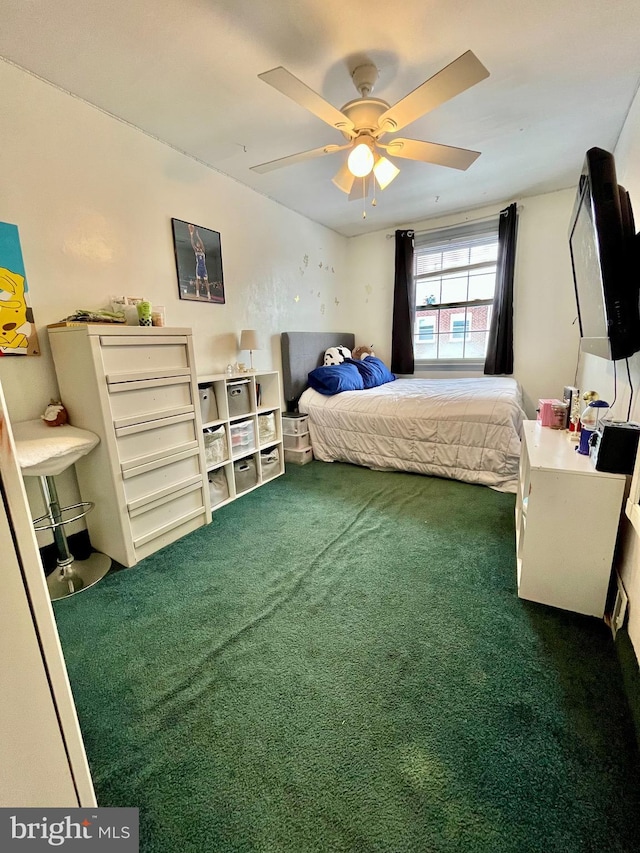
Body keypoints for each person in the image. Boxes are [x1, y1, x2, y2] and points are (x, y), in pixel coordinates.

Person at [188, 224, 210, 299]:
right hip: (198, 266)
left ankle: (208, 293)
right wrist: (191, 235)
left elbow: (202, 243)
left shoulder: (203, 250)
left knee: (206, 281)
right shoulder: (196, 250)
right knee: (197, 280)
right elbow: (192, 243)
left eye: (198, 243)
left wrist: (197, 236)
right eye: (197, 243)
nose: (198, 244)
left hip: (204, 267)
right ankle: (197, 293)